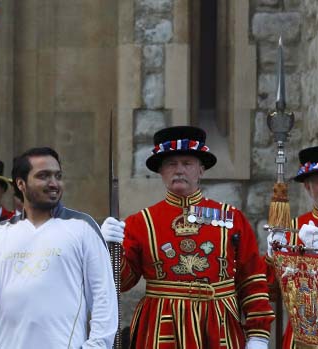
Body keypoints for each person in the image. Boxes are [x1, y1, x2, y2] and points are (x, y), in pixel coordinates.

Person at [101, 126, 275, 349]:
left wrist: (258, 334)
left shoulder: (232, 218)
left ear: (201, 170)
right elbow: (123, 282)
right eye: (171, 164)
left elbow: (252, 278)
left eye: (187, 163)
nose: (179, 170)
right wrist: (110, 248)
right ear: (161, 171)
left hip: (218, 326)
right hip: (161, 329)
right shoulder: (141, 222)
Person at [0, 147, 118, 348]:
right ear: (21, 184)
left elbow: (104, 297)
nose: (54, 183)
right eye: (43, 176)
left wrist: (97, 346)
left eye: (58, 176)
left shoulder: (82, 227)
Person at [266, 145, 318, 348]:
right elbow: (272, 291)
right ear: (308, 187)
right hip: (302, 338)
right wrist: (272, 259)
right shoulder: (293, 230)